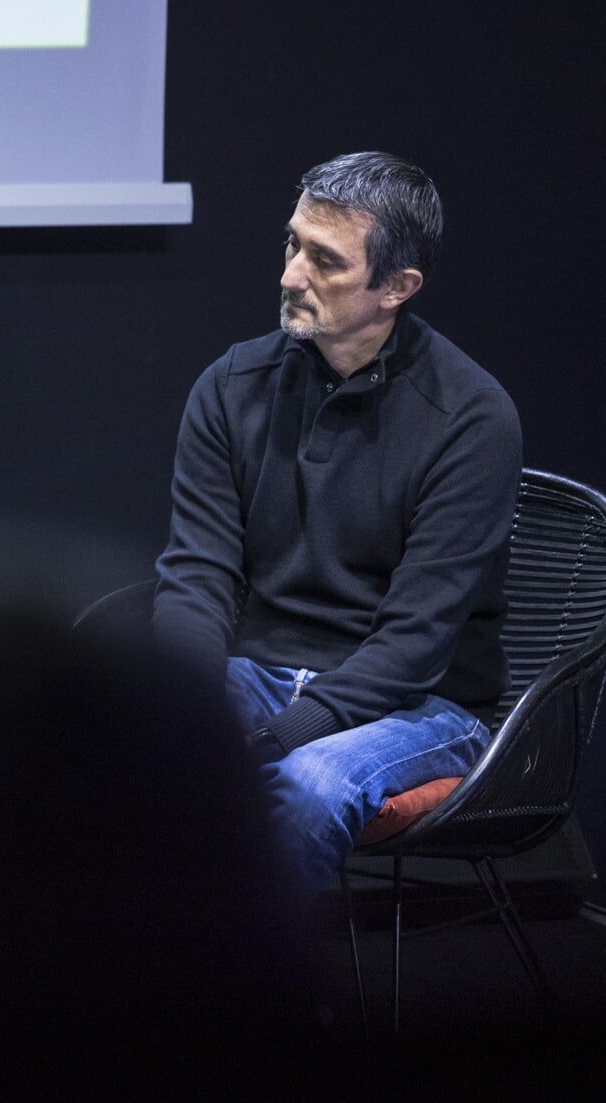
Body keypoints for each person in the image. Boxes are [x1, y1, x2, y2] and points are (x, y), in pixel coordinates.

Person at [152, 152, 519, 885]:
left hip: (422, 702)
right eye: (292, 244)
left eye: (324, 260)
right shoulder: (229, 387)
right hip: (258, 671)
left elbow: (415, 641)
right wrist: (183, 706)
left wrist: (272, 736)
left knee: (310, 783)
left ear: (396, 288)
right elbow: (195, 574)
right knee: (120, 750)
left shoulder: (470, 418)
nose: (290, 274)